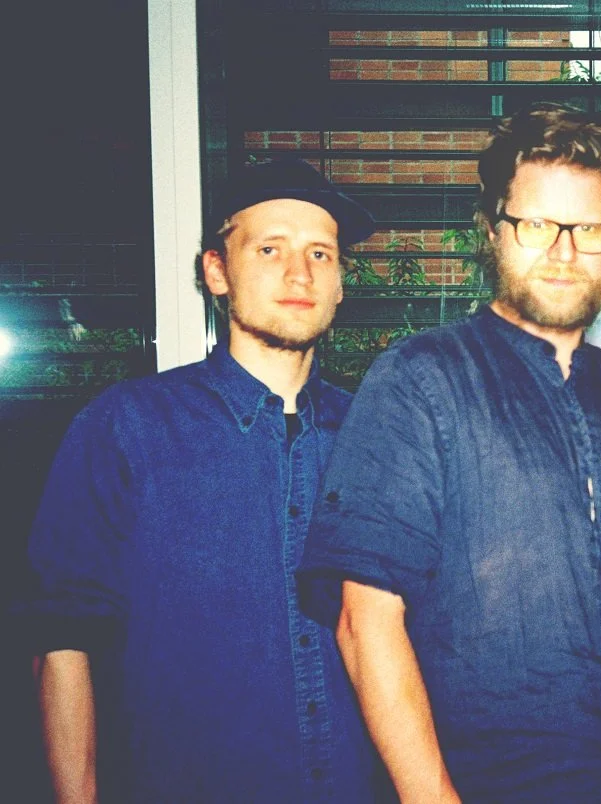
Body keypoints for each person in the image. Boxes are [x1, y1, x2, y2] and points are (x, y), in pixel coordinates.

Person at [297, 103, 601, 804]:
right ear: (493, 232)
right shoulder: (419, 379)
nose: (563, 252)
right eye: (536, 225)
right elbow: (364, 620)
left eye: (589, 229)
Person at [21, 159, 386, 802]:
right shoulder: (126, 428)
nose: (299, 273)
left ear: (339, 286)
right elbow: (62, 637)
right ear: (217, 271)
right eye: (270, 248)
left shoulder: (379, 439)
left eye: (320, 254)